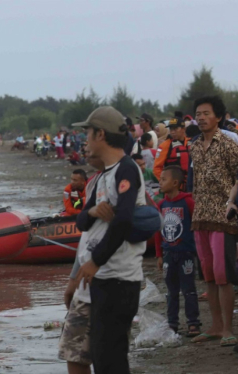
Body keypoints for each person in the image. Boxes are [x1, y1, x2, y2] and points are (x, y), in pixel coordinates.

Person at [72, 106, 145, 374]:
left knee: (111, 358)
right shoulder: (105, 173)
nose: (85, 140)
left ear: (101, 134)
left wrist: (95, 261)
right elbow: (81, 220)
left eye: (88, 133)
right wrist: (91, 210)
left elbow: (124, 220)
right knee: (103, 357)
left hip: (119, 279)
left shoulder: (126, 169)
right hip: (104, 279)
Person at [188, 95, 238, 347]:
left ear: (218, 117)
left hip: (224, 217)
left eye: (206, 113)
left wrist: (232, 203)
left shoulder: (229, 144)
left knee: (223, 273)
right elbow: (193, 182)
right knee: (208, 273)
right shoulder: (193, 145)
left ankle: (228, 328)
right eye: (198, 114)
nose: (201, 118)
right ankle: (215, 326)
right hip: (200, 217)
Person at [59, 151, 104, 374]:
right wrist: (72, 280)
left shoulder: (123, 179)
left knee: (103, 354)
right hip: (84, 285)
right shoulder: (91, 185)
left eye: (77, 179)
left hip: (106, 283)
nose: (73, 182)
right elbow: (72, 213)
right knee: (74, 353)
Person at [155, 165, 201, 336]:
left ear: (175, 183)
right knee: (171, 291)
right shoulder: (161, 204)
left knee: (189, 289)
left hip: (186, 254)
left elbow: (196, 227)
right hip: (168, 254)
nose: (160, 182)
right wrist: (159, 255)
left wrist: (199, 251)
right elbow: (158, 232)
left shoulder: (188, 202)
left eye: (163, 179)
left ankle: (193, 323)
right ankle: (172, 323)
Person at [153, 117, 190, 188]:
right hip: (174, 188)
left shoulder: (192, 143)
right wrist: (166, 182)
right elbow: (156, 169)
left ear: (183, 129)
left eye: (175, 129)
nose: (172, 132)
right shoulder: (164, 146)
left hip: (191, 186)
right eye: (171, 129)